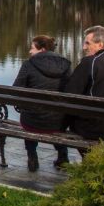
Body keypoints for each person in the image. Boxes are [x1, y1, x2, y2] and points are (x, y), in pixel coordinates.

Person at [13, 35, 72, 171]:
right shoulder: (66, 65)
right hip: (59, 123)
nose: (29, 51)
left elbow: (16, 90)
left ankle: (32, 157)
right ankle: (63, 157)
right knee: (58, 118)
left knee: (30, 114)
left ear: (42, 49)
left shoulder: (29, 64)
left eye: (32, 48)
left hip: (32, 122)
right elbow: (70, 92)